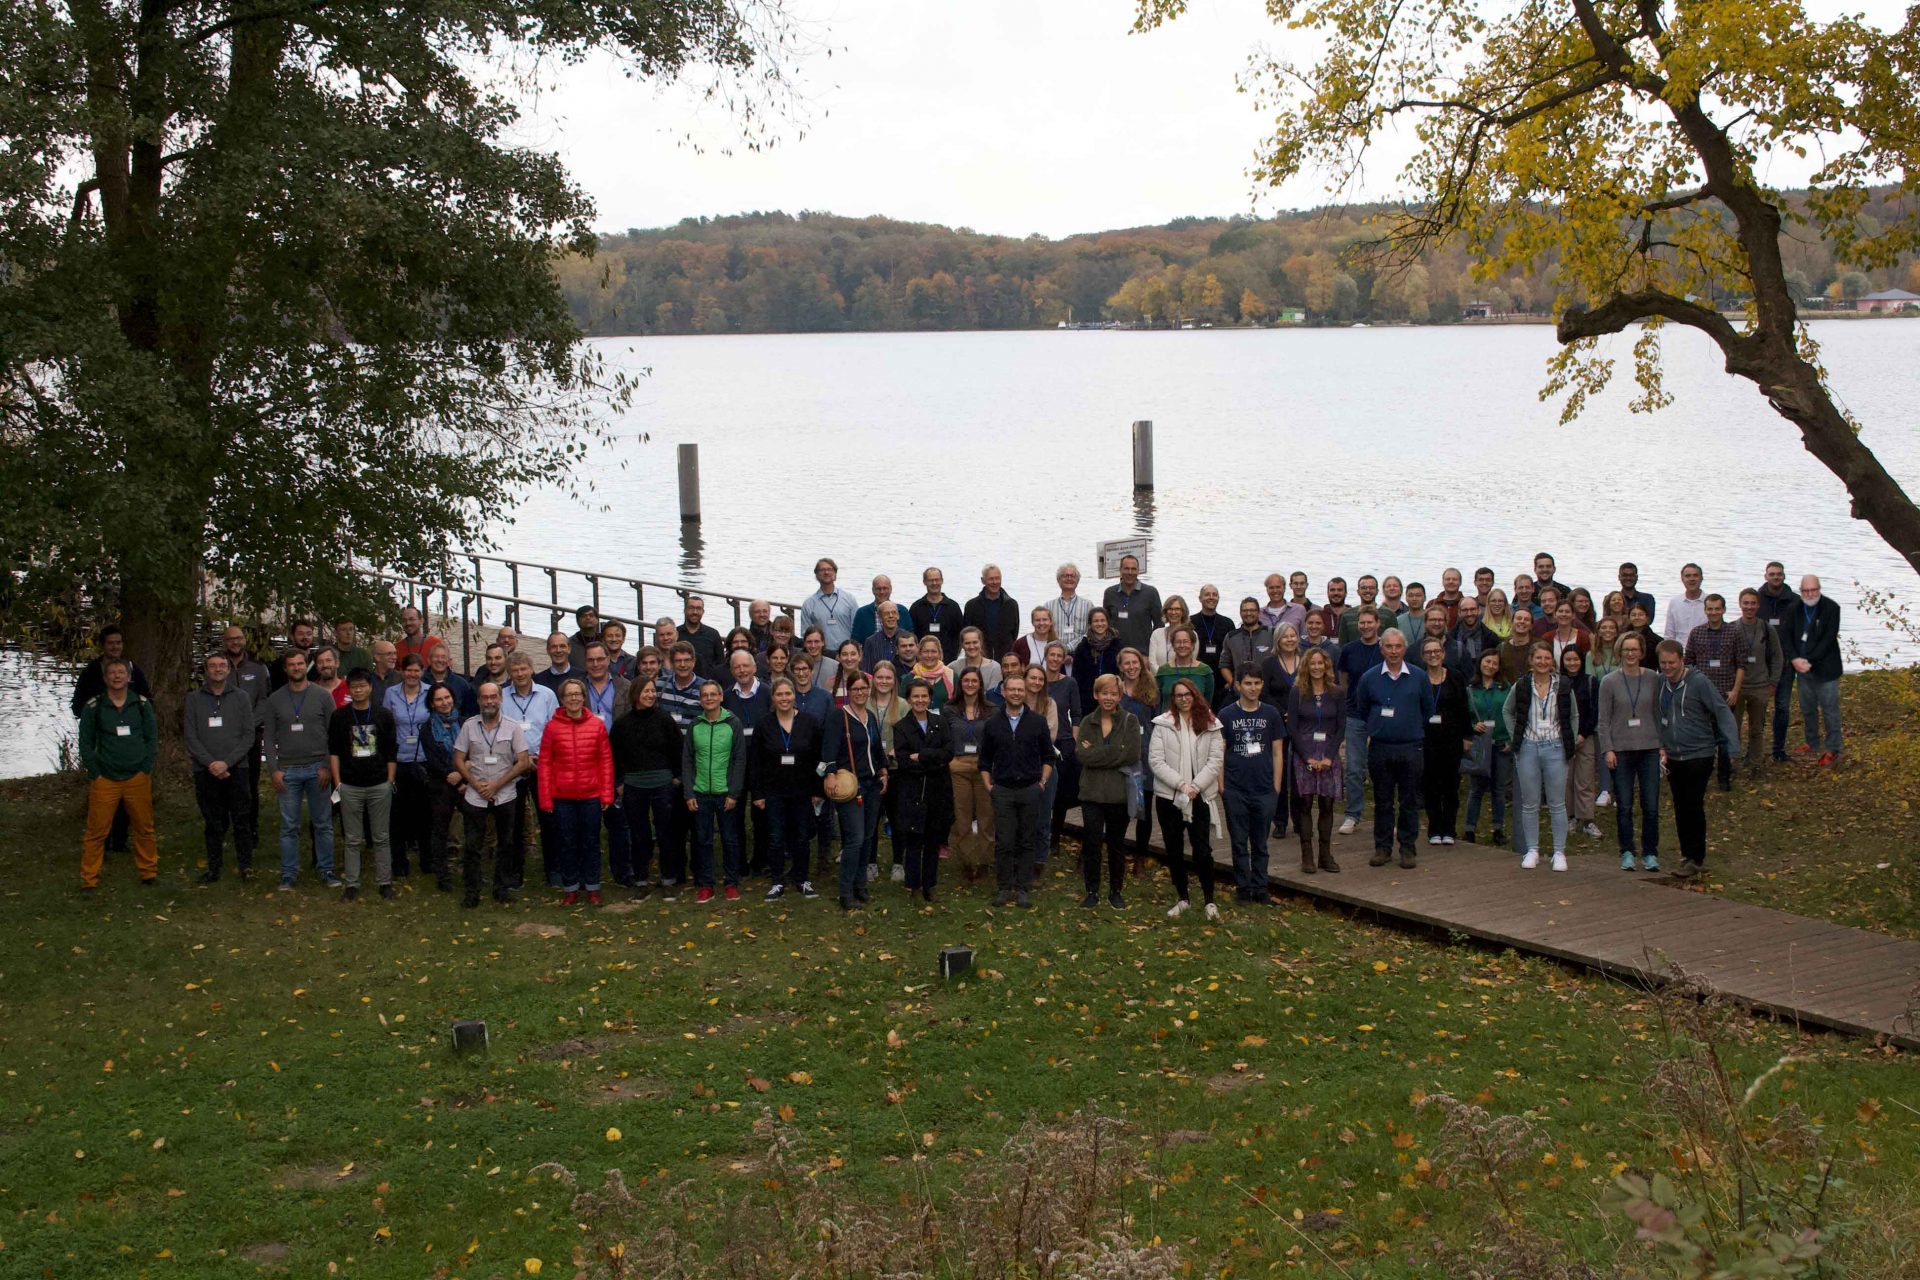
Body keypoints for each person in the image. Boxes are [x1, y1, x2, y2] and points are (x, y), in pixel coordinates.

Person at [1656, 639, 1742, 876]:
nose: (1668, 667)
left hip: (1699, 754)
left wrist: (1732, 748)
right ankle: (1687, 855)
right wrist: (1660, 746)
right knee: (1680, 804)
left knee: (1693, 803)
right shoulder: (1662, 683)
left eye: (1672, 662)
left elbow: (1722, 711)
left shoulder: (1699, 682)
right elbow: (1659, 716)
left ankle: (1696, 857)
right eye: (1663, 663)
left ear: (1682, 659)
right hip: (1673, 755)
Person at [1354, 629, 1436, 869]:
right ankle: (1382, 847)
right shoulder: (1369, 678)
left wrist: (1408, 726)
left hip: (1411, 748)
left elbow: (1428, 709)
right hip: (1380, 748)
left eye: (1397, 646)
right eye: (1388, 646)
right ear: (1381, 649)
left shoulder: (1419, 676)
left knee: (1409, 801)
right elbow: (1362, 708)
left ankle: (1408, 848)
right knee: (1382, 801)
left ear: (1404, 648)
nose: (1393, 651)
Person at [77, 656, 160, 889]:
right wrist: (95, 772)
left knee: (144, 828)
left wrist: (145, 768)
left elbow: (151, 738)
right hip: (105, 779)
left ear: (128, 677)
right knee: (96, 831)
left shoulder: (142, 704)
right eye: (112, 673)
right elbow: (85, 743)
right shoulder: (94, 706)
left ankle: (148, 872)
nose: (116, 676)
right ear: (105, 678)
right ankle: (89, 879)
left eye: (121, 672)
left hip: (137, 777)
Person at [1148, 677, 1224, 919]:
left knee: (1202, 849)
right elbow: (1156, 761)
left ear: (1195, 695)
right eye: (1178, 695)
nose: (1183, 698)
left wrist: (1196, 786)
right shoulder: (1163, 724)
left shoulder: (1211, 723)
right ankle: (1183, 898)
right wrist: (1181, 785)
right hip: (1169, 796)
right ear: (1173, 699)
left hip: (1200, 796)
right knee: (1174, 849)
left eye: (1187, 694)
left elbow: (1215, 760)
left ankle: (1209, 901)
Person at [980, 667, 1055, 908]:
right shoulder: (992, 724)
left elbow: (1048, 757)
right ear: (1003, 692)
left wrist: (1042, 782)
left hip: (1030, 789)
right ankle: (1004, 887)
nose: (1015, 693)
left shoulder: (1038, 722)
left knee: (1026, 839)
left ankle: (1023, 887)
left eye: (1020, 690)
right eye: (1011, 689)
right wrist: (990, 787)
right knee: (1004, 841)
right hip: (1002, 790)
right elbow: (984, 760)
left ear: (1025, 692)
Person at [263, 649, 338, 890]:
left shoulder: (322, 697)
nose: (296, 668)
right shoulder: (274, 699)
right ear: (285, 669)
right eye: (291, 665)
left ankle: (326, 869)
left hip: (318, 768)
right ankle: (288, 873)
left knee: (323, 823)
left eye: (299, 664)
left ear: (307, 666)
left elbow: (333, 734)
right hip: (288, 771)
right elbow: (268, 737)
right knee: (289, 826)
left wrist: (327, 765)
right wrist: (274, 769)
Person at [1503, 641, 1578, 872]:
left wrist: (1569, 741)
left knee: (1557, 803)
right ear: (1531, 661)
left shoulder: (1563, 685)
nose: (1543, 662)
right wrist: (1516, 734)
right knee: (1530, 803)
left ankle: (1559, 852)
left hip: (1556, 747)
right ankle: (1532, 850)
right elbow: (1507, 711)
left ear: (1552, 662)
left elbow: (1573, 715)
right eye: (1538, 658)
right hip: (1528, 747)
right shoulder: (1522, 685)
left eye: (1547, 658)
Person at [453, 681, 530, 908]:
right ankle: (472, 891)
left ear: (500, 699)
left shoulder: (513, 727)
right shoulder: (469, 726)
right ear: (478, 701)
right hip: (475, 795)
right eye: (484, 697)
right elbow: (458, 758)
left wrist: (497, 784)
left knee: (506, 844)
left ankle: (501, 889)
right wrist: (475, 783)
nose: (489, 701)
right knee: (472, 845)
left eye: (493, 697)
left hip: (505, 794)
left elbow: (523, 761)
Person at [538, 678, 613, 905]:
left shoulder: (596, 725)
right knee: (567, 842)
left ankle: (592, 887)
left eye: (577, 694)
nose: (573, 698)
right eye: (569, 695)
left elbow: (605, 761)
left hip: (591, 795)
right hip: (562, 797)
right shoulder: (552, 727)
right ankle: (570, 888)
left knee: (591, 842)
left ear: (583, 697)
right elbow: (545, 764)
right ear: (562, 699)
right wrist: (545, 799)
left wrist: (607, 794)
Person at [327, 667, 398, 902]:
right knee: (352, 838)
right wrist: (338, 783)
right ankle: (352, 883)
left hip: (379, 783)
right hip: (350, 784)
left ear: (370, 688)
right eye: (354, 687)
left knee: (381, 836)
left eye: (362, 686)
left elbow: (390, 750)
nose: (358, 690)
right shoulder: (340, 717)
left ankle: (385, 882)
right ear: (349, 689)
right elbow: (334, 752)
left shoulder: (383, 715)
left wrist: (389, 780)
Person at [747, 677, 821, 901]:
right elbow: (755, 762)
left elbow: (818, 758)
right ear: (773, 698)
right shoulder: (764, 724)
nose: (784, 698)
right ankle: (777, 881)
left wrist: (818, 790)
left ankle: (802, 879)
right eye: (779, 694)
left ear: (794, 696)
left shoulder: (809, 722)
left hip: (802, 790)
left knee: (801, 836)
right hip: (773, 791)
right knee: (776, 837)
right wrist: (757, 793)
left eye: (788, 694)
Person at [819, 668, 888, 911]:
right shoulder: (840, 717)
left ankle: (860, 886)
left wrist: (883, 771)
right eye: (855, 689)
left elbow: (877, 750)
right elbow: (828, 749)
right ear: (849, 691)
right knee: (855, 839)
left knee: (868, 838)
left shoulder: (869, 715)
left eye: (863, 688)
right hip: (850, 786)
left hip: (871, 785)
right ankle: (845, 892)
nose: (860, 692)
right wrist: (829, 774)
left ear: (869, 691)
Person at [185, 651, 257, 883]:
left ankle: (246, 866)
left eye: (221, 665)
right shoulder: (194, 699)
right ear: (206, 670)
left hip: (236, 768)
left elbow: (249, 735)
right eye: (212, 666)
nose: (217, 669)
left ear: (228, 670)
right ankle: (214, 868)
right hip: (205, 770)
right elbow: (191, 737)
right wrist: (211, 763)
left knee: (241, 819)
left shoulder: (241, 697)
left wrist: (227, 762)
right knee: (213, 821)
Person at [1596, 633, 1663, 871]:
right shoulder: (1609, 681)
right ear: (1619, 652)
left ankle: (1650, 853)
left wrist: (1662, 745)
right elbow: (1603, 720)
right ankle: (1626, 851)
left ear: (1642, 652)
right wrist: (1608, 749)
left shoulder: (1654, 679)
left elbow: (1658, 712)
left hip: (1649, 748)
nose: (1631, 654)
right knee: (1624, 805)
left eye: (1635, 649)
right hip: (1621, 750)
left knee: (1651, 805)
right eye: (1626, 650)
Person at [611, 677, 683, 897]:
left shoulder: (665, 720)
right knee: (639, 835)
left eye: (653, 691)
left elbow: (677, 749)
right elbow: (615, 756)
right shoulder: (622, 724)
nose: (650, 695)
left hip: (662, 783)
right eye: (646, 691)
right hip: (634, 785)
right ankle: (641, 881)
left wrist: (676, 777)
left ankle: (668, 880)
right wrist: (620, 782)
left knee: (666, 833)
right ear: (635, 694)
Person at [1218, 667, 1284, 903]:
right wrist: (1222, 787)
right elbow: (1220, 752)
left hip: (1265, 789)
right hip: (1235, 788)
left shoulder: (1271, 714)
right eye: (1248, 683)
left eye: (1257, 683)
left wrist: (1276, 786)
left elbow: (1277, 752)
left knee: (1260, 843)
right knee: (1238, 842)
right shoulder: (1226, 715)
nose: (1253, 688)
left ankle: (1260, 887)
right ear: (1238, 685)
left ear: (1262, 685)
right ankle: (1243, 888)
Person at [1075, 673, 1141, 908]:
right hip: (1091, 794)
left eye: (1114, 693)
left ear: (1120, 695)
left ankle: (1115, 890)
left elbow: (1131, 754)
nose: (1109, 698)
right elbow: (1082, 755)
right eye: (1105, 693)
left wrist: (1098, 754)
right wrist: (1114, 751)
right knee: (1092, 844)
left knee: (1116, 845)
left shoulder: (1130, 721)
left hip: (1119, 794)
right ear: (1096, 694)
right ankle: (1092, 891)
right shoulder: (1086, 722)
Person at [681, 680, 748, 902]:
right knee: (703, 840)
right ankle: (706, 884)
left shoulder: (733, 723)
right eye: (704, 695)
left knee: (730, 839)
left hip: (725, 792)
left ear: (721, 697)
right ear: (700, 700)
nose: (709, 698)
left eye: (713, 694)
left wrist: (734, 793)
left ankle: (731, 882)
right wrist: (689, 792)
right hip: (701, 792)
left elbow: (739, 759)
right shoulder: (695, 725)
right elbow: (688, 760)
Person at [892, 679, 954, 902]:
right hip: (913, 793)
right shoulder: (901, 727)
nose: (920, 700)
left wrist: (923, 756)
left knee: (933, 841)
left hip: (937, 792)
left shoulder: (940, 722)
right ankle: (913, 885)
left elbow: (948, 753)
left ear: (930, 698)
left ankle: (930, 885)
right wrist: (933, 760)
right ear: (908, 699)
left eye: (924, 696)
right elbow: (904, 762)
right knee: (914, 841)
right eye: (915, 696)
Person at [501, 653, 558, 891]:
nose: (520, 674)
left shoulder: (547, 695)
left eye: (524, 669)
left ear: (532, 669)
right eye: (515, 671)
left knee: (549, 819)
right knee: (513, 822)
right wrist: (520, 759)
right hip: (513, 766)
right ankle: (514, 873)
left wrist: (538, 758)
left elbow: (554, 728)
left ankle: (554, 871)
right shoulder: (501, 696)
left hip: (542, 764)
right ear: (509, 673)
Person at [1683, 593, 1749, 789]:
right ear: (1705, 610)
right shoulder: (1696, 633)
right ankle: (1702, 772)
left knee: (1724, 735)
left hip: (1726, 693)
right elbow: (1688, 662)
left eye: (1717, 609)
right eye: (1709, 609)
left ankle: (1724, 777)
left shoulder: (1734, 632)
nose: (1713, 612)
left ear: (1723, 610)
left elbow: (1741, 664)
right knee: (1703, 735)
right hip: (1702, 694)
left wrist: (1736, 691)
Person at [1286, 648, 1344, 873]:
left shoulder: (1337, 692)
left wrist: (1329, 757)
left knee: (1327, 805)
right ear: (1306, 666)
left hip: (1328, 753)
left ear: (1327, 666)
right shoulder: (1297, 692)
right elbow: (1292, 727)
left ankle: (1325, 854)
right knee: (1305, 804)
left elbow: (1341, 728)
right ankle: (1307, 854)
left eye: (1321, 663)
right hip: (1304, 753)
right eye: (1313, 664)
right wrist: (1306, 756)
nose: (1317, 667)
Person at [1335, 606, 1385, 836]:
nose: (1365, 626)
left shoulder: (1386, 648)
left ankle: (1384, 816)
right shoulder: (1349, 650)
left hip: (1381, 714)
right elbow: (1343, 681)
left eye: (1369, 622)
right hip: (1355, 714)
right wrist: (1345, 705)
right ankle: (1353, 814)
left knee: (1381, 767)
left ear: (1377, 624)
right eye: (1362, 623)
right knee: (1354, 768)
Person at [383, 653, 433, 878]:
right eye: (408, 670)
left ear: (422, 672)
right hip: (399, 760)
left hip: (423, 759)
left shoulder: (429, 692)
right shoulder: (390, 694)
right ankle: (399, 862)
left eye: (417, 670)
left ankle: (427, 860)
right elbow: (386, 724)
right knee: (397, 816)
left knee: (425, 814)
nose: (412, 674)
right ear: (402, 672)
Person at [1420, 635, 1474, 846]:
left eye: (1437, 651)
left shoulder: (1456, 677)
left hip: (1452, 739)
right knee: (1430, 785)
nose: (1433, 655)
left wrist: (1467, 736)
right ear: (1423, 656)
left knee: (1451, 785)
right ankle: (1434, 829)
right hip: (1428, 739)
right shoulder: (1419, 678)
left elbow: (1464, 708)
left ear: (1443, 654)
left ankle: (1449, 829)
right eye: (1428, 652)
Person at [1787, 574, 1843, 765]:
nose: (1810, 594)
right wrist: (1794, 659)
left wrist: (1808, 660)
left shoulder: (1831, 608)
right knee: (1807, 708)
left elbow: (1828, 638)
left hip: (1826, 669)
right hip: (1802, 669)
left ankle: (1833, 748)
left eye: (1814, 590)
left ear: (1819, 589)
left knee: (1830, 710)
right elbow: (1786, 636)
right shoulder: (1793, 608)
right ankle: (1812, 741)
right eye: (1806, 591)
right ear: (1801, 591)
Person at [947, 667, 997, 878]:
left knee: (987, 816)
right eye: (966, 680)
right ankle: (966, 861)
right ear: (960, 684)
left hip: (983, 767)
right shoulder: (950, 709)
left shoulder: (991, 710)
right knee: (963, 816)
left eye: (974, 681)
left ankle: (986, 861)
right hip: (958, 766)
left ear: (980, 684)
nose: (969, 684)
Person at [1733, 588, 1784, 778]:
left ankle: (1755, 763)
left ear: (1758, 605)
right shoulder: (1732, 628)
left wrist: (1773, 682)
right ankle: (1734, 762)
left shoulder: (1767, 629)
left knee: (1757, 729)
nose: (1749, 607)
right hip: (1737, 688)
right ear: (1740, 604)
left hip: (1760, 686)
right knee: (1733, 728)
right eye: (1746, 603)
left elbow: (1778, 657)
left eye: (1753, 603)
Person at [420, 682, 466, 891]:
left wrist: (462, 774)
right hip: (441, 784)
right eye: (439, 699)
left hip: (466, 782)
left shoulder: (466, 723)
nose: (444, 702)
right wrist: (451, 773)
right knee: (440, 830)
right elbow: (433, 759)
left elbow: (473, 751)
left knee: (473, 827)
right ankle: (443, 874)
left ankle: (470, 869)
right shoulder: (427, 729)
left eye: (447, 697)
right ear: (432, 703)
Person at [1462, 649, 1510, 847]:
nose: (1490, 666)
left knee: (1499, 789)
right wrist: (1472, 727)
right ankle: (1469, 829)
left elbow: (1512, 714)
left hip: (1501, 742)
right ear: (1480, 662)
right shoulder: (1470, 690)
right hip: (1480, 743)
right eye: (1487, 661)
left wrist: (1510, 739)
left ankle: (1498, 828)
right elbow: (1463, 716)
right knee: (1476, 789)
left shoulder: (1505, 688)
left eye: (1494, 663)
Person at [1559, 645, 1602, 838]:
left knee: (1585, 779)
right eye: (1568, 659)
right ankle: (1570, 817)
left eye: (1575, 659)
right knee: (1566, 780)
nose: (1572, 663)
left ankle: (1587, 819)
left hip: (1586, 737)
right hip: (1563, 738)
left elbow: (1594, 711)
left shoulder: (1591, 682)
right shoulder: (1558, 683)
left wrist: (1583, 734)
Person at [1755, 561, 1797, 759]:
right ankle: (1755, 749)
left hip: (1787, 665)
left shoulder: (1795, 601)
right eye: (1772, 574)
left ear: (1784, 576)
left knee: (1782, 706)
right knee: (1758, 707)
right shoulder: (1755, 599)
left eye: (1779, 574)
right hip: (1761, 665)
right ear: (1766, 576)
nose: (1776, 577)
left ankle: (1778, 750)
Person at [1103, 554, 1162, 653]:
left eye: (1133, 569)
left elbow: (1159, 625)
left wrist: (1152, 653)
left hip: (1142, 654)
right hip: (1115, 653)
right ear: (1120, 571)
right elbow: (1105, 624)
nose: (1130, 572)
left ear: (1138, 571)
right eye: (1126, 568)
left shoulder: (1151, 593)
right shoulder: (1109, 593)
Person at [909, 567, 966, 662]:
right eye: (931, 580)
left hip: (949, 660)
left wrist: (954, 655)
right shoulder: (916, 607)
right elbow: (913, 636)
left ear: (942, 581)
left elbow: (960, 634)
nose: (934, 583)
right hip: (923, 660)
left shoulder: (953, 607)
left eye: (937, 580)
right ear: (924, 582)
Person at [964, 563, 1021, 658]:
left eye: (997, 578)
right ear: (983, 581)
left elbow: (1014, 633)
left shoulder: (1011, 604)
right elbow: (967, 632)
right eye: (991, 579)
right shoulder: (972, 606)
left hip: (1004, 657)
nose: (995, 582)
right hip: (980, 656)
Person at [1221, 597, 1275, 694]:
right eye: (1245, 610)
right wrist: (1234, 684)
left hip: (1266, 691)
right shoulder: (1231, 637)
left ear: (1259, 612)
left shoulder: (1271, 633)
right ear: (1240, 613)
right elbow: (1224, 664)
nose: (1248, 613)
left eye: (1252, 610)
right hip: (1239, 694)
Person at [1070, 607, 1121, 706]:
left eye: (1102, 620)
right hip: (1087, 698)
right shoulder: (1082, 647)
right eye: (1096, 621)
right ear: (1090, 624)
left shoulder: (1117, 645)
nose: (1100, 624)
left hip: (1112, 696)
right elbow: (1076, 676)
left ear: (1107, 622)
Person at [1155, 625, 1215, 706]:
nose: (1182, 645)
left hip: (1197, 717)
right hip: (1168, 718)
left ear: (1193, 645)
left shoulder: (1205, 671)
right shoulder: (1163, 671)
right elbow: (1158, 701)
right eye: (1178, 642)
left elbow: (1207, 703)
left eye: (1186, 641)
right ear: (1173, 645)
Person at [1188, 584, 1231, 689]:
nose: (1211, 597)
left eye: (1214, 595)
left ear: (1218, 598)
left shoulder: (1227, 623)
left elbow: (1232, 652)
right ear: (1200, 598)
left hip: (1221, 677)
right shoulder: (1190, 622)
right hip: (1196, 675)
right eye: (1207, 594)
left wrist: (1230, 680)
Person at [1045, 563, 1092, 653]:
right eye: (1065, 576)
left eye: (1072, 576)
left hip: (1080, 655)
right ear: (1058, 580)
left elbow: (1090, 632)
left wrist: (1068, 648)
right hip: (1055, 657)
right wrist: (1060, 651)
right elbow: (1046, 632)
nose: (1069, 578)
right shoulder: (1048, 606)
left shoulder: (1088, 605)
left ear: (1077, 581)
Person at [424, 640, 477, 719]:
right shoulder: (420, 682)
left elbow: (471, 713)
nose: (439, 660)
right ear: (429, 660)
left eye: (443, 657)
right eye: (436, 657)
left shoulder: (462, 684)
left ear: (449, 661)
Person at [680, 596, 728, 680]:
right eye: (691, 608)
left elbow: (721, 664)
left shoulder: (713, 634)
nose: (695, 612)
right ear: (685, 610)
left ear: (703, 612)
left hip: (707, 684)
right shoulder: (676, 633)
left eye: (698, 608)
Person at [862, 601, 914, 672]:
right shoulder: (871, 642)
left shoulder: (909, 639)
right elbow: (867, 672)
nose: (891, 616)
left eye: (894, 612)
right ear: (880, 618)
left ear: (898, 616)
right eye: (886, 613)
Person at [1665, 564, 1709, 647]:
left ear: (1701, 578)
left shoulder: (1709, 602)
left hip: (1705, 652)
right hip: (1680, 653)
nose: (1692, 579)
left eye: (1695, 575)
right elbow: (1669, 635)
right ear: (1682, 579)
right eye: (1688, 576)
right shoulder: (1675, 602)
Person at [271, 618, 320, 690]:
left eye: (309, 634)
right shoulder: (280, 664)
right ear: (292, 636)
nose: (305, 637)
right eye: (301, 634)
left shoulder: (317, 663)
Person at [1147, 594, 1192, 672]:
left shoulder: (1191, 635)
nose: (1173, 612)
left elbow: (1191, 662)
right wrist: (1164, 676)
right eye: (1170, 609)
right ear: (1165, 612)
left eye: (1177, 609)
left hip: (1182, 680)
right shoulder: (1156, 634)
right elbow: (1152, 662)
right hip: (1159, 679)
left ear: (1183, 612)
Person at [951, 625, 1003, 692]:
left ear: (981, 642)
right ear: (962, 645)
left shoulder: (994, 668)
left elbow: (994, 696)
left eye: (975, 642)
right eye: (967, 643)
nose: (971, 646)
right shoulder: (953, 667)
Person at [1012, 605, 1060, 671]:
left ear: (1050, 622)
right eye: (1037, 620)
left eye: (1045, 619)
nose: (1041, 623)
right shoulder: (1020, 644)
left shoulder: (1057, 644)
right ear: (1032, 622)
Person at [851, 576, 896, 646]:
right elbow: (855, 641)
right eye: (878, 589)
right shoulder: (862, 613)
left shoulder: (902, 611)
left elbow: (909, 637)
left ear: (890, 589)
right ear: (873, 590)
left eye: (885, 588)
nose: (882, 592)